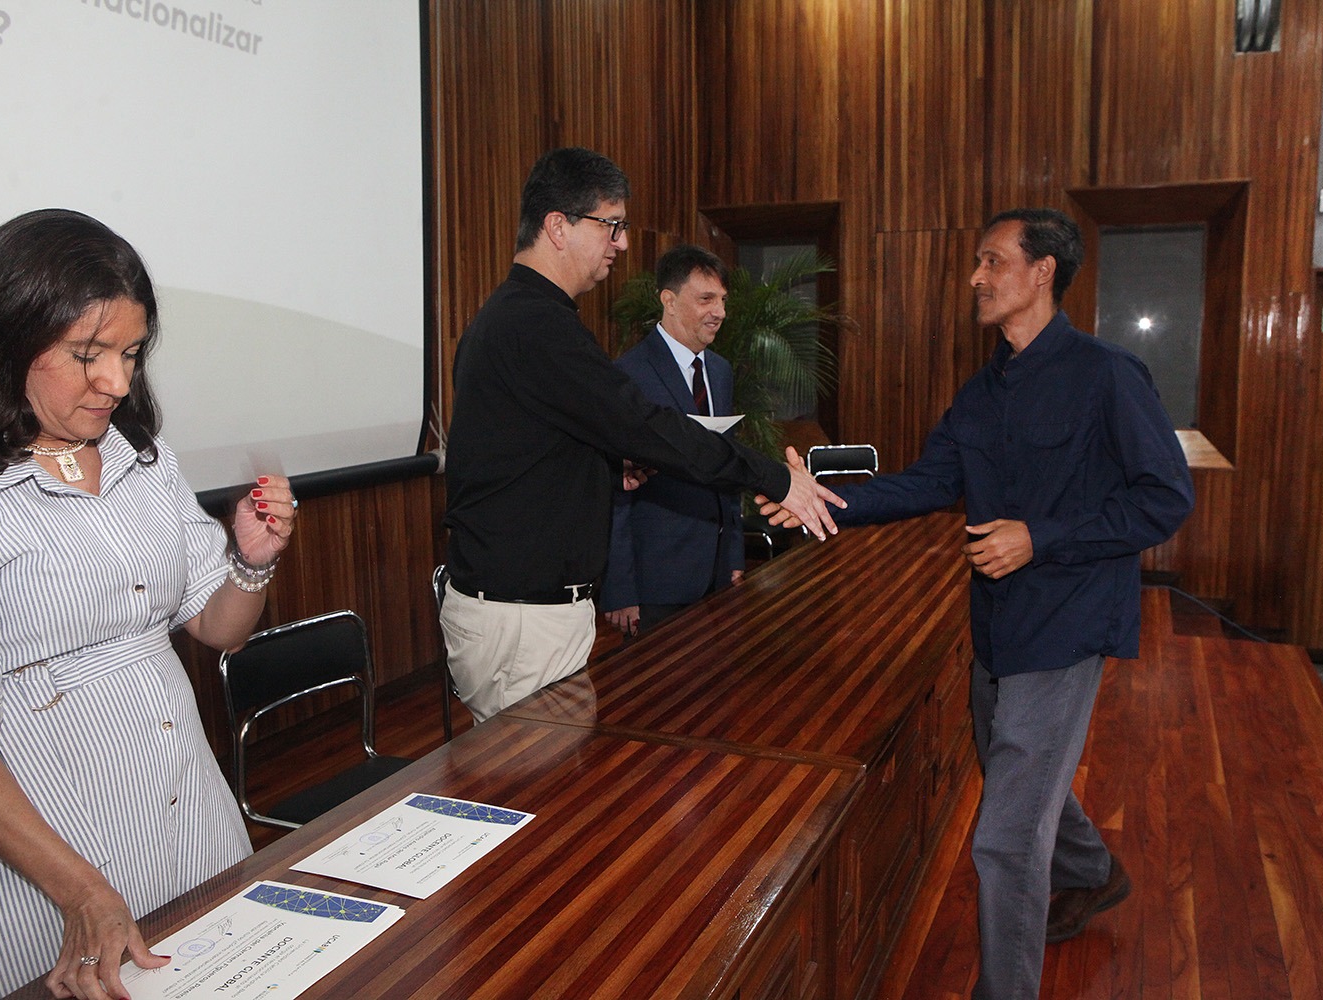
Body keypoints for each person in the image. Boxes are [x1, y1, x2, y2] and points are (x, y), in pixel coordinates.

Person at [759, 209, 1194, 1000]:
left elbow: (1165, 499)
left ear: (1043, 272)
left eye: (992, 262)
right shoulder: (981, 391)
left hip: (1066, 628)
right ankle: (1092, 871)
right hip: (996, 626)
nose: (975, 278)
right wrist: (819, 499)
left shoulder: (1108, 375)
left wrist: (1041, 538)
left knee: (1006, 840)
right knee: (1016, 774)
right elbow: (930, 482)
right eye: (977, 264)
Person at [0, 209, 298, 1000]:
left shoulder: (137, 454)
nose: (117, 382)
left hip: (185, 819)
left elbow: (216, 627)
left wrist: (250, 564)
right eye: (88, 355)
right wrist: (80, 890)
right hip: (38, 871)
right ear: (6, 341)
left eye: (131, 353)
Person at [441, 147, 842, 724]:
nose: (622, 243)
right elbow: (647, 424)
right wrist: (773, 477)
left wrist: (608, 469)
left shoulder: (516, 315)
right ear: (558, 226)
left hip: (520, 609)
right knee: (540, 777)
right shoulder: (538, 326)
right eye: (611, 225)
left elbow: (527, 455)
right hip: (524, 617)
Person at [601, 245, 744, 636]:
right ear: (669, 301)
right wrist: (620, 587)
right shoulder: (628, 374)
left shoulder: (720, 372)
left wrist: (733, 554)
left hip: (716, 573)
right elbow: (615, 487)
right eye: (706, 299)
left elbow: (728, 466)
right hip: (654, 582)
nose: (720, 312)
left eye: (723, 300)